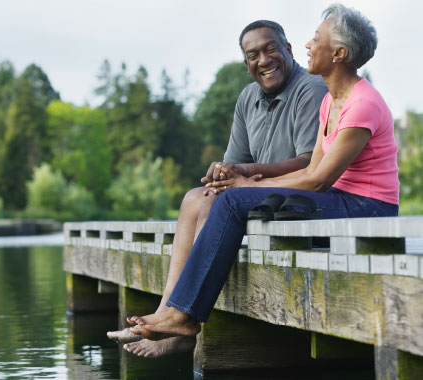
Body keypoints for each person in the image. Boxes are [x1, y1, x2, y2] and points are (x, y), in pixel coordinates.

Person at [125, 3, 399, 346]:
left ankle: (182, 315)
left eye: (316, 39)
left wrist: (245, 185)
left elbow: (317, 180)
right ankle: (176, 311)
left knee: (232, 202)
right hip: (340, 200)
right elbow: (313, 170)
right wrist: (245, 184)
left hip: (367, 206)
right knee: (230, 198)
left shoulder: (363, 104)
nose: (308, 46)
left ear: (340, 53)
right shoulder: (332, 100)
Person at [107, 20, 328, 357]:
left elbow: (311, 163)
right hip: (259, 193)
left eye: (271, 48)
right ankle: (168, 311)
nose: (264, 59)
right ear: (246, 63)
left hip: (295, 197)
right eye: (253, 55)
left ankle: (182, 321)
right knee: (196, 197)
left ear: (288, 49)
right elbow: (234, 162)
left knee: (215, 203)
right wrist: (224, 174)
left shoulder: (309, 87)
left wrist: (245, 173)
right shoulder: (248, 97)